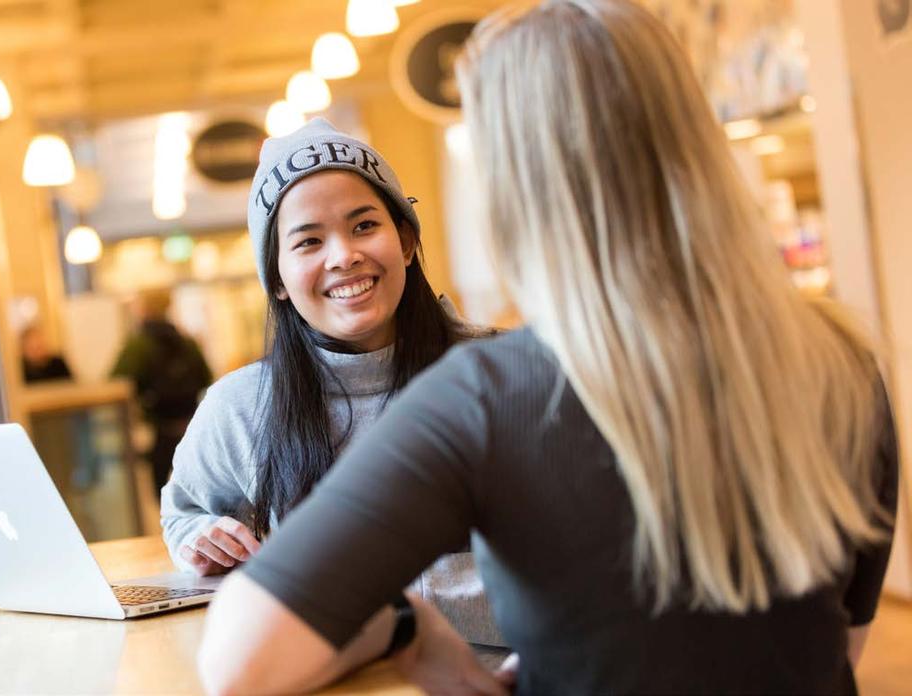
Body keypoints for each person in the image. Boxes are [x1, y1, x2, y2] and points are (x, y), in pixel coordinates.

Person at [195, 1, 900, 694]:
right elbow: (838, 645)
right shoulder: (841, 360)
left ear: (515, 188)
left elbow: (239, 661)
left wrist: (403, 624)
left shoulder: (486, 397)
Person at [160, 119, 505, 651]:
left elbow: (579, 560)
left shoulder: (503, 373)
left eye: (364, 225)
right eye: (309, 241)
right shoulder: (241, 407)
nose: (343, 256)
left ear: (407, 241)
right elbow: (184, 513)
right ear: (275, 279)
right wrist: (202, 542)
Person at [112, 289, 212, 499]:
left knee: (163, 494)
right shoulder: (187, 342)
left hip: (158, 431)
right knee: (196, 490)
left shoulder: (137, 346)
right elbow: (206, 377)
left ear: (143, 309)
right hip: (191, 427)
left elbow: (115, 384)